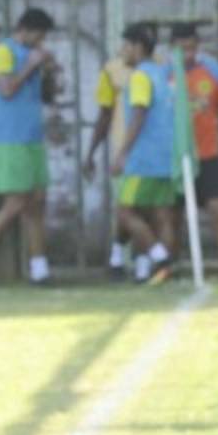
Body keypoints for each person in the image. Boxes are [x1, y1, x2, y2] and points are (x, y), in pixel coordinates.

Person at [0, 7, 56, 284]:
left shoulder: (33, 55)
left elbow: (48, 97)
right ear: (25, 30)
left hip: (33, 137)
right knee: (16, 203)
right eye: (39, 35)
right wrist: (30, 65)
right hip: (9, 138)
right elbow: (6, 89)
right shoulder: (3, 52)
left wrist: (48, 72)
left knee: (37, 202)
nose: (41, 42)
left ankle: (40, 269)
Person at [170, 22, 218, 284]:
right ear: (172, 48)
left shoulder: (214, 71)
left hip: (208, 153)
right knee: (173, 216)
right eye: (182, 49)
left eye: (191, 48)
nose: (187, 55)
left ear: (198, 46)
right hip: (176, 157)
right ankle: (173, 267)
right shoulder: (164, 74)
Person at [112, 23, 175, 284]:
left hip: (144, 158)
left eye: (125, 46)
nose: (122, 52)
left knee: (125, 212)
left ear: (137, 47)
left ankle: (160, 258)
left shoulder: (140, 77)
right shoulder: (162, 75)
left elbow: (139, 114)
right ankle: (160, 271)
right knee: (160, 214)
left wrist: (122, 152)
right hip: (165, 157)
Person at [84, 46, 135, 279]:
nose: (125, 50)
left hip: (155, 150)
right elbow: (105, 113)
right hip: (124, 149)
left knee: (150, 208)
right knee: (128, 206)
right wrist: (91, 153)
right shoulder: (111, 71)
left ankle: (146, 260)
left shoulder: (161, 68)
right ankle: (118, 257)